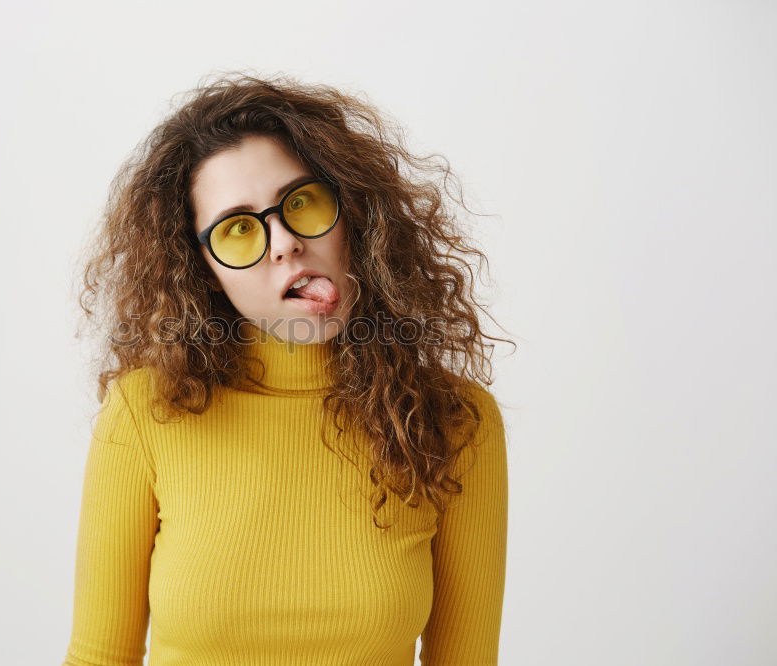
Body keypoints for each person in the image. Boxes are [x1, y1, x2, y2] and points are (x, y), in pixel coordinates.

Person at [62, 71, 512, 666]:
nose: (284, 243)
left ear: (354, 209)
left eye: (301, 202)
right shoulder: (144, 413)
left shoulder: (455, 420)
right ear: (200, 266)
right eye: (239, 229)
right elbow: (99, 658)